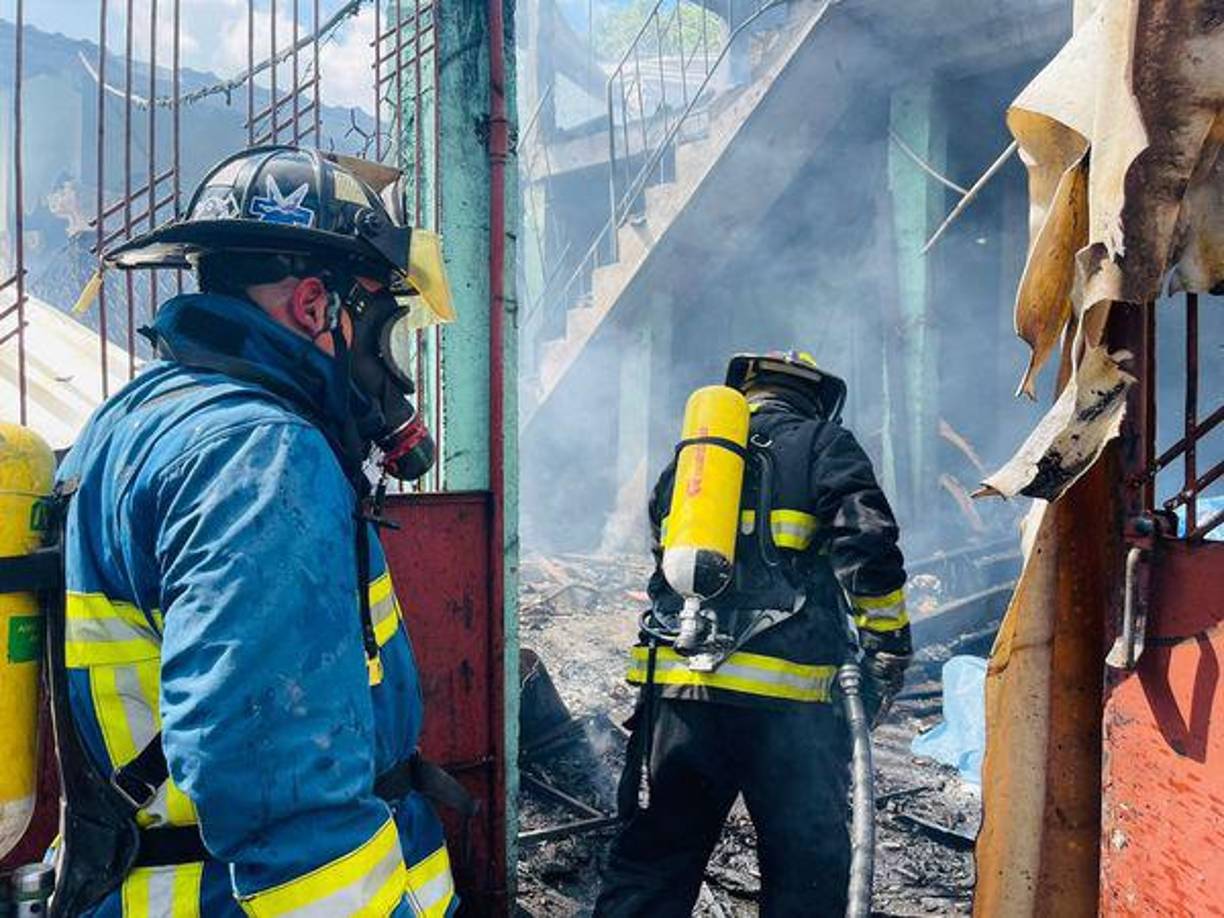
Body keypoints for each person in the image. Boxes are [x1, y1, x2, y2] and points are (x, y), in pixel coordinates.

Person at [48, 145, 458, 917]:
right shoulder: (261, 456)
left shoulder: (142, 418)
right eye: (379, 325)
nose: (389, 370)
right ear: (315, 307)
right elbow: (282, 788)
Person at [594, 351, 911, 918]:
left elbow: (662, 567)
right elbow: (867, 548)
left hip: (681, 698)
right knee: (804, 870)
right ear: (815, 398)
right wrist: (888, 644)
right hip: (788, 708)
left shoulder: (689, 467)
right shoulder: (822, 444)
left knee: (656, 860)